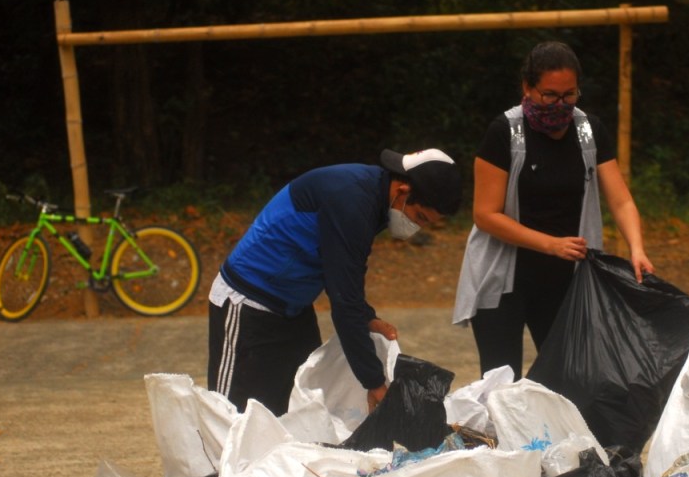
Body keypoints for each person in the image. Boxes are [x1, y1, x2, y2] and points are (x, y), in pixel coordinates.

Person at [209, 148, 462, 416]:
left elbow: (345, 272)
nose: (415, 226)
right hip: (247, 302)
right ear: (401, 191)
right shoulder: (351, 199)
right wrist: (374, 381)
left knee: (298, 405)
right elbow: (343, 299)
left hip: (293, 308)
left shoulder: (374, 198)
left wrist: (366, 317)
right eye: (420, 216)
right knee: (231, 416)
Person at [453, 40, 654, 378]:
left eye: (570, 95)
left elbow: (621, 200)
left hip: (564, 281)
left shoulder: (589, 130)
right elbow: (485, 215)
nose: (560, 105)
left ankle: (555, 434)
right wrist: (552, 244)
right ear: (527, 88)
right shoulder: (504, 133)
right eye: (550, 95)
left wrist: (637, 248)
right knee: (501, 385)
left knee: (569, 380)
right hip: (504, 281)